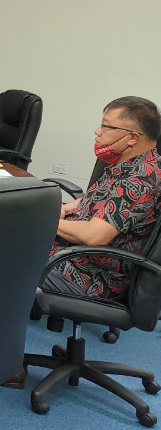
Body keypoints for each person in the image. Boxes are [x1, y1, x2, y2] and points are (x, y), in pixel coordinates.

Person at [43, 97, 160, 300]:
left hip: (87, 274)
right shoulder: (127, 164)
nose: (98, 132)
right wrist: (61, 208)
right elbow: (91, 199)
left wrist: (45, 220)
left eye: (106, 126)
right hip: (69, 252)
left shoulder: (140, 180)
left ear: (132, 137)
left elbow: (93, 236)